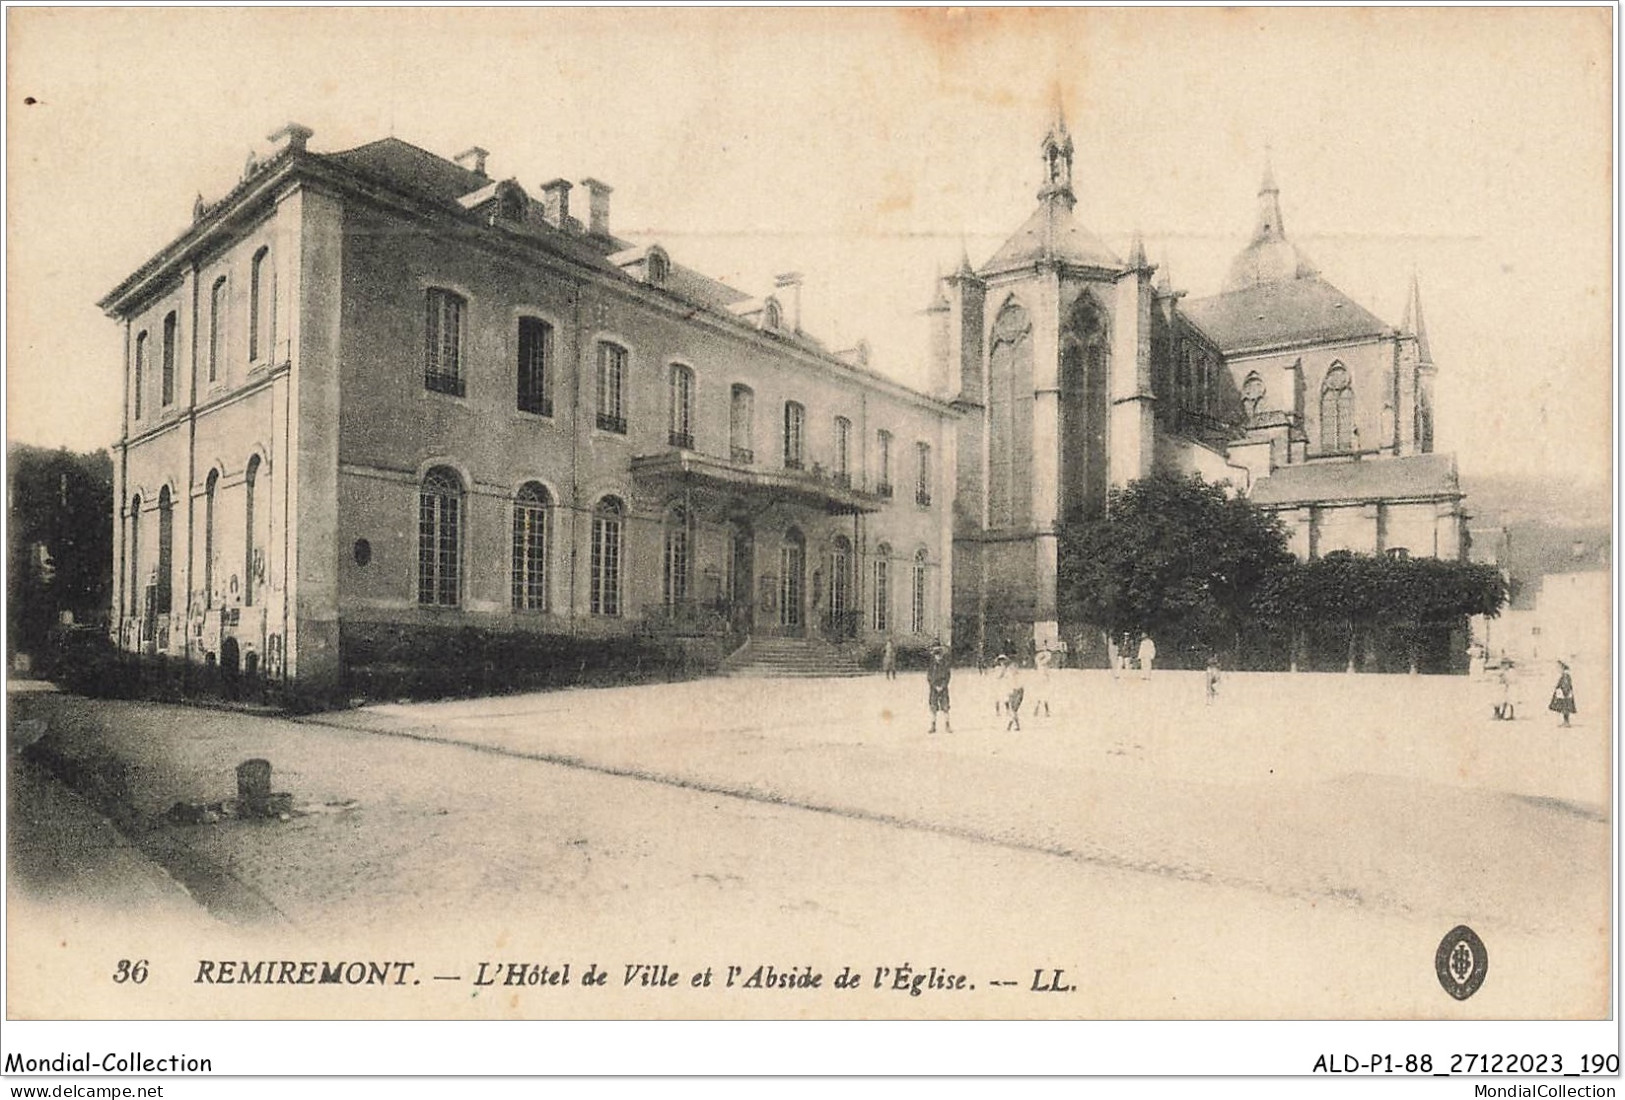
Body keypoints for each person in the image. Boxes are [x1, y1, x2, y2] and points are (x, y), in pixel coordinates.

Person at [926, 641, 952, 734]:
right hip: (934, 689)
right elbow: (929, 677)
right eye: (936, 655)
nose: (938, 656)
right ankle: (933, 726)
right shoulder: (931, 666)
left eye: (939, 654)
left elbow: (948, 677)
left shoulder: (945, 665)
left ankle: (947, 725)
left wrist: (943, 686)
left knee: (945, 707)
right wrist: (934, 686)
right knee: (933, 707)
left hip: (943, 689)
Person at [995, 654, 1024, 731]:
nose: (1002, 662)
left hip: (1018, 690)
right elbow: (999, 677)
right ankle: (1016, 726)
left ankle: (1011, 726)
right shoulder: (1004, 670)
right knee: (1013, 710)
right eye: (1000, 661)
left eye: (1003, 660)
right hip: (1012, 691)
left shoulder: (1011, 671)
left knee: (1014, 710)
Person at [1549, 661, 1576, 727]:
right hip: (1565, 694)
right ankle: (1565, 722)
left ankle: (1566, 722)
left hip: (1565, 695)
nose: (1558, 670)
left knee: (1565, 708)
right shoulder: (1565, 675)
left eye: (1559, 668)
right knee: (1564, 708)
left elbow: (1566, 685)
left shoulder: (1565, 676)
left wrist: (1564, 692)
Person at [1031, 643, 1053, 717]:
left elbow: (1046, 659)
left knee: (1045, 695)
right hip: (1039, 679)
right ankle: (1036, 710)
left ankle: (1046, 711)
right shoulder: (1039, 661)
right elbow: (1037, 660)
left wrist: (1044, 655)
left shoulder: (1047, 658)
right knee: (1039, 695)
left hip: (1045, 679)